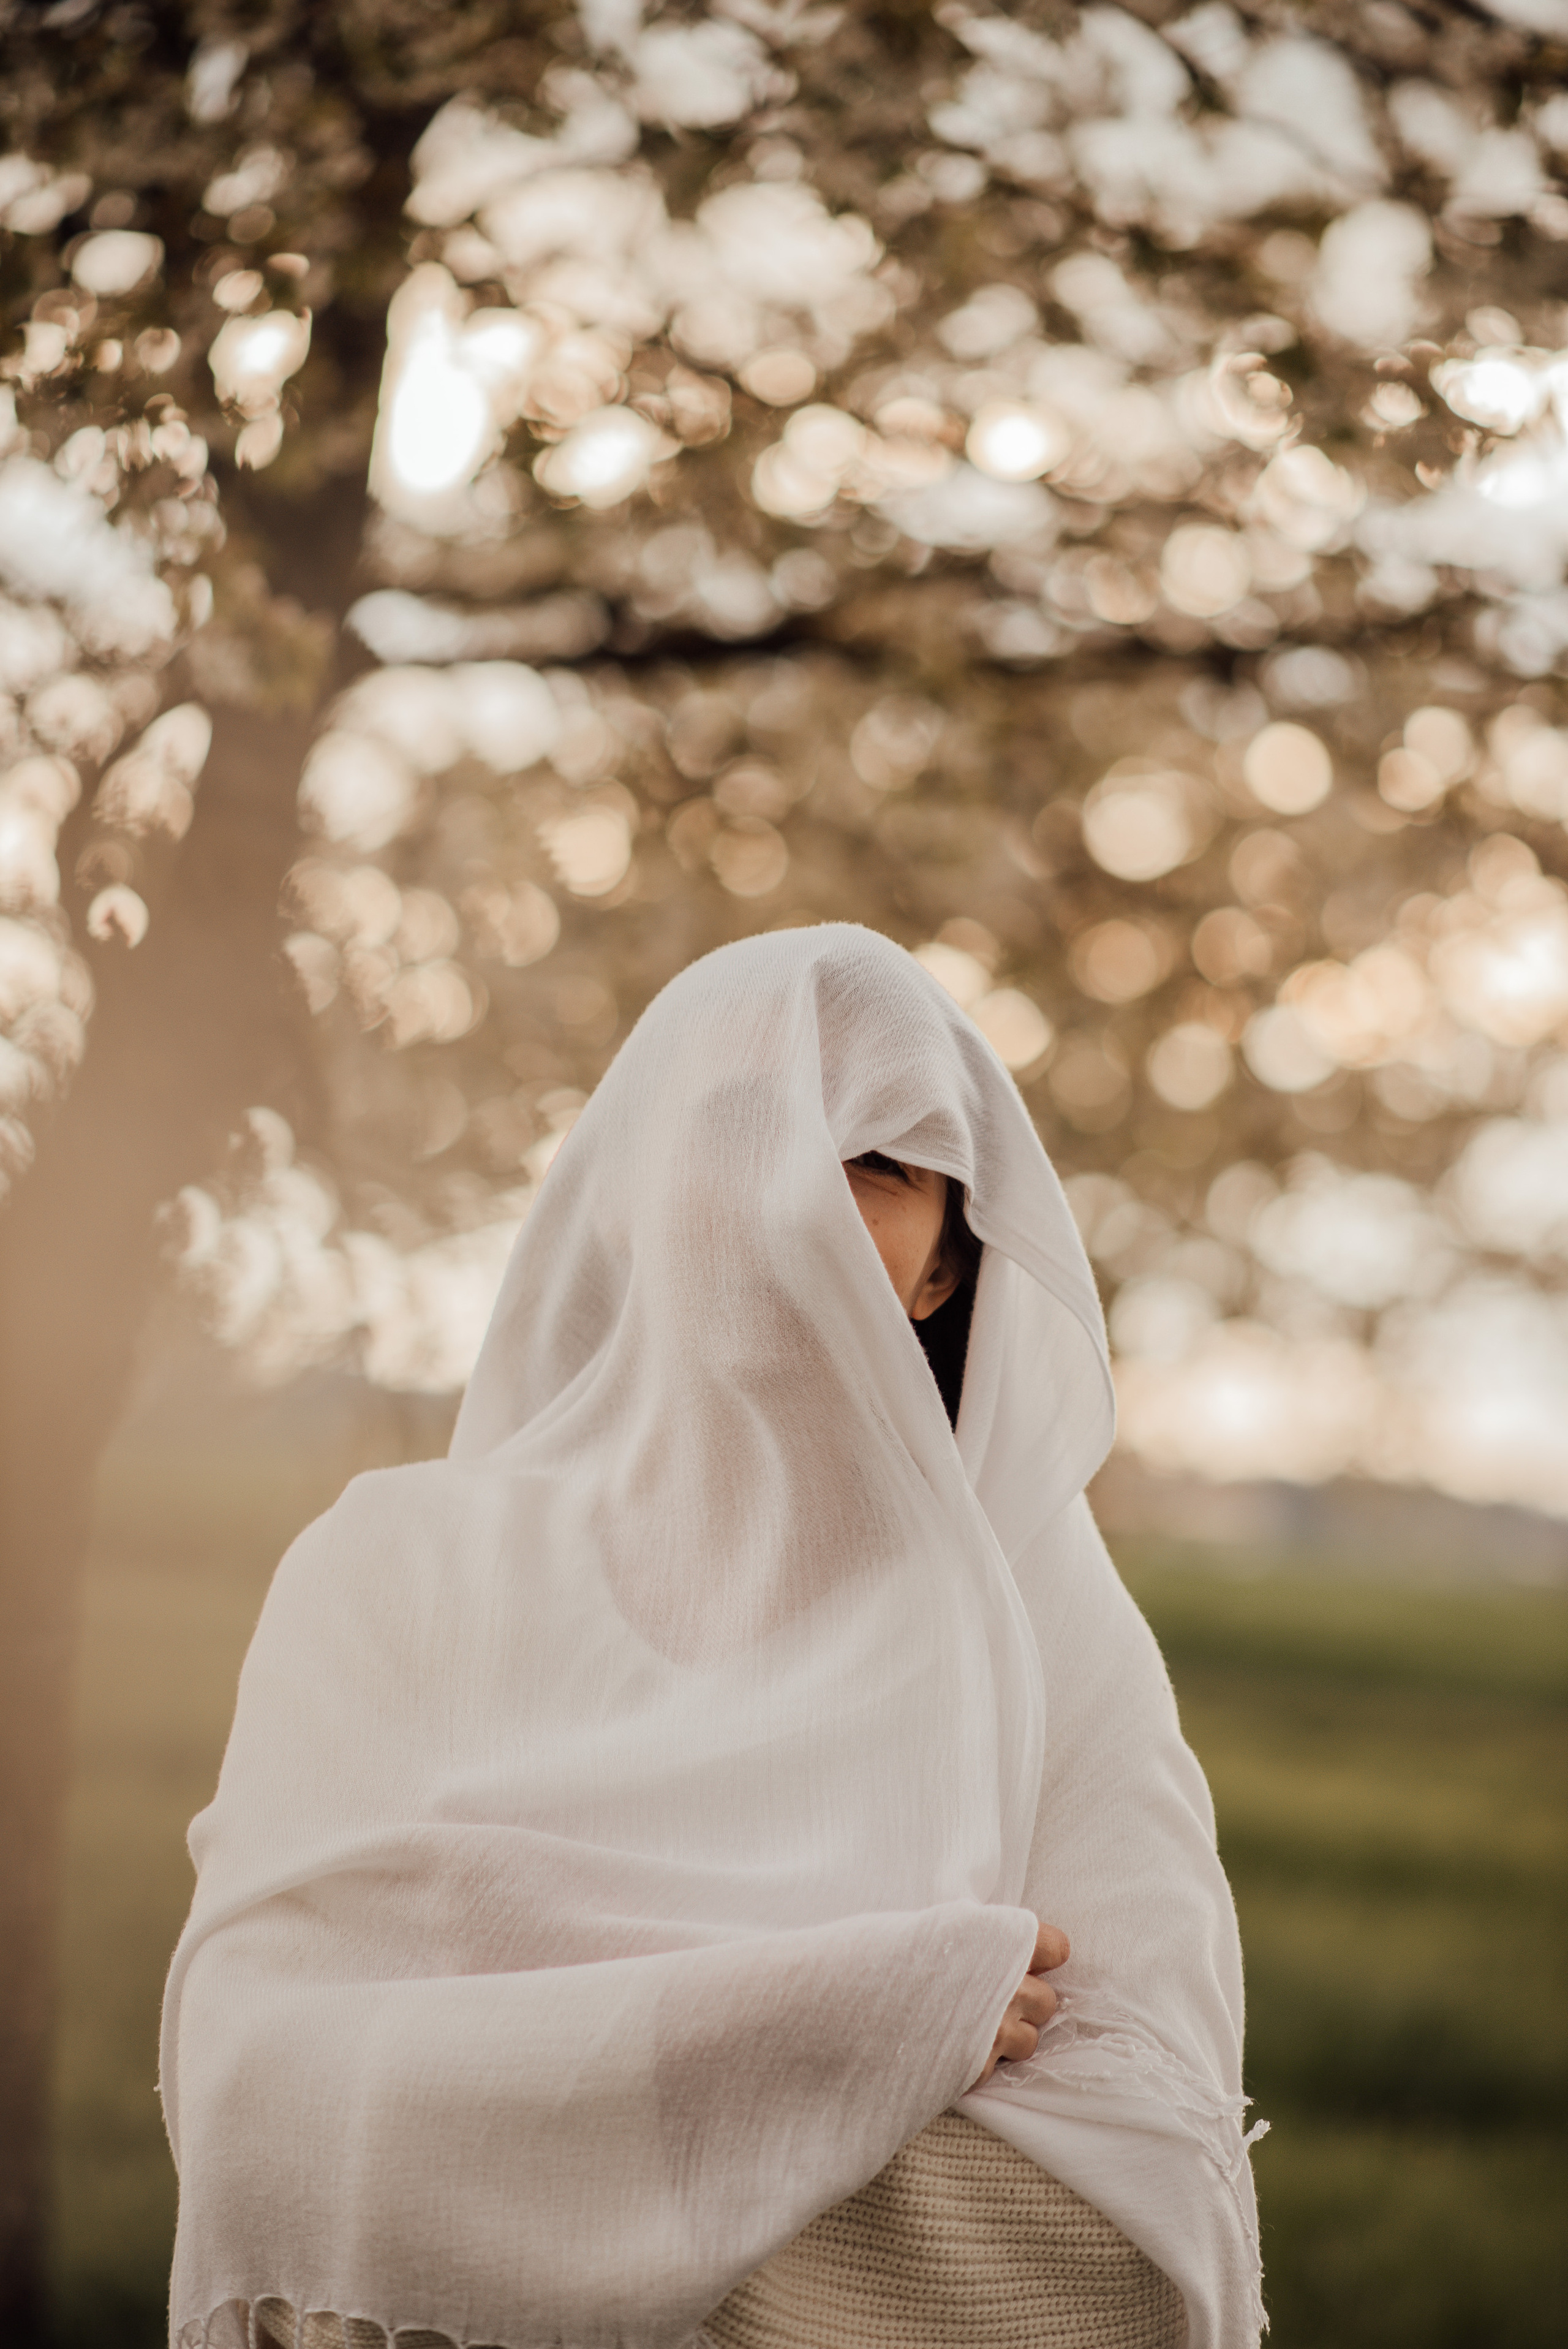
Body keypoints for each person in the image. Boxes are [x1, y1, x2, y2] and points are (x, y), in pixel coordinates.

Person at [160, 925, 1264, 2349]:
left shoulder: (1048, 1638)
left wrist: (493, 2160)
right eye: (739, 1129)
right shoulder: (390, 1575)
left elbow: (1126, 2227)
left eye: (878, 1161)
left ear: (943, 1272)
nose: (792, 1190)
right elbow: (262, 2107)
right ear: (631, 1191)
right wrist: (847, 2026)